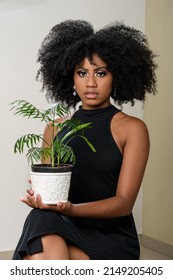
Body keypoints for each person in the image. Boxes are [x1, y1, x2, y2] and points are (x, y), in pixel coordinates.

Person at [12, 19, 157, 260]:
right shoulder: (55, 129)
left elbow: (123, 203)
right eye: (82, 73)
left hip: (112, 236)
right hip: (63, 227)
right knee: (41, 220)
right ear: (70, 77)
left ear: (116, 76)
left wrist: (72, 209)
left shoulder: (132, 129)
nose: (90, 83)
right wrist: (41, 196)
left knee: (36, 253)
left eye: (101, 73)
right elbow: (50, 196)